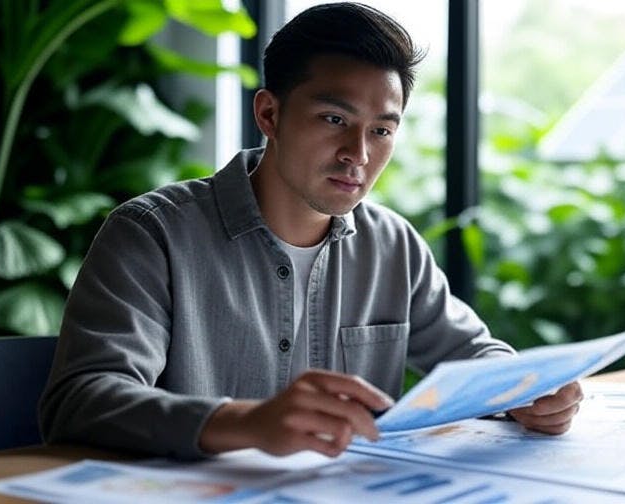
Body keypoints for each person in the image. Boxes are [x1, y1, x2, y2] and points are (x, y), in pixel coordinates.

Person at [39, 2, 582, 460]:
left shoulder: (392, 246)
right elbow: (81, 400)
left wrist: (527, 389)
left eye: (382, 131)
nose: (358, 155)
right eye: (333, 119)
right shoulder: (152, 235)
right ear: (270, 114)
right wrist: (247, 423)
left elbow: (477, 356)